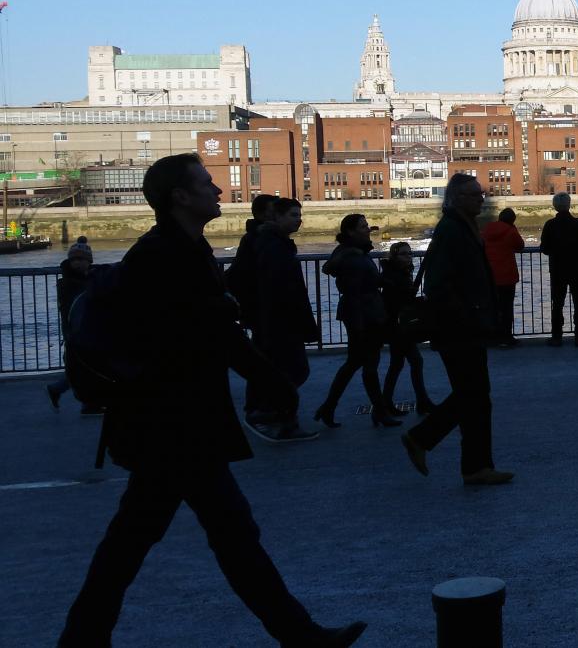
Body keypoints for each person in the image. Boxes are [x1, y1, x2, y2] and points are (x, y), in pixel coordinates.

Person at [57, 153, 365, 648]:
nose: (217, 189)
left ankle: (83, 638)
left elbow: (210, 330)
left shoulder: (175, 249)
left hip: (171, 424)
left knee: (161, 539)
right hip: (174, 425)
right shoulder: (168, 256)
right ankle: (300, 635)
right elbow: (214, 336)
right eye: (205, 182)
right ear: (180, 196)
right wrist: (274, 382)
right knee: (206, 538)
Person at [399, 174, 513, 486]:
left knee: (477, 397)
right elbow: (438, 285)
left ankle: (476, 467)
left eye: (481, 194)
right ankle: (422, 439)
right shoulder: (452, 230)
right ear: (457, 198)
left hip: (465, 327)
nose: (481, 199)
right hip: (459, 330)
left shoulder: (462, 227)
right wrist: (468, 314)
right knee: (472, 395)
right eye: (475, 195)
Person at [315, 215, 401, 429]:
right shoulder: (353, 257)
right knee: (368, 364)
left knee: (355, 362)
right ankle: (379, 411)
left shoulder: (350, 252)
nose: (368, 229)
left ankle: (329, 407)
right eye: (363, 226)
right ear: (351, 231)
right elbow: (358, 288)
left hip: (363, 313)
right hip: (364, 314)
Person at [249, 198, 320, 443]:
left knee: (288, 370)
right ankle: (273, 415)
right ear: (276, 217)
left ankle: (278, 416)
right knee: (295, 370)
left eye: (299, 215)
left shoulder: (274, 243)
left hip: (280, 321)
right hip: (282, 322)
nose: (299, 220)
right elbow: (278, 289)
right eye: (293, 215)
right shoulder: (275, 247)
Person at [227, 193, 279, 427]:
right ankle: (260, 408)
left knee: (265, 357)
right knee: (266, 359)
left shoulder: (255, 238)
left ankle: (260, 406)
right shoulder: (260, 239)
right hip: (262, 310)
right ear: (262, 214)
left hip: (258, 309)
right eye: (273, 211)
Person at [379, 241, 435, 415]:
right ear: (394, 256)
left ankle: (389, 403)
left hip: (397, 325)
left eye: (410, 253)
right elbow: (399, 301)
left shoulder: (397, 273)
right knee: (408, 362)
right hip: (397, 326)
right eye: (404, 254)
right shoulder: (395, 275)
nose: (408, 257)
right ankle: (417, 401)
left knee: (401, 363)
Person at [47, 239, 102, 414]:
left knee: (81, 368)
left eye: (81, 259)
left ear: (88, 261)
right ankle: (88, 403)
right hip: (77, 331)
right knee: (86, 367)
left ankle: (57, 389)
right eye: (74, 260)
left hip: (82, 330)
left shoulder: (77, 280)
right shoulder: (72, 284)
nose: (77, 263)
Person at [540, 192, 578, 347]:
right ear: (569, 205)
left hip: (557, 269)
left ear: (554, 206)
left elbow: (544, 248)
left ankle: (556, 337)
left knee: (557, 303)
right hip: (576, 268)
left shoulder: (550, 225)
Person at [482, 207, 525, 347]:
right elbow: (520, 246)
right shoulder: (511, 231)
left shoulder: (487, 230)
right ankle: (506, 337)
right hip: (507, 275)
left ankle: (492, 336)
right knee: (507, 307)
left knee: (492, 307)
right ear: (512, 220)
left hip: (489, 276)